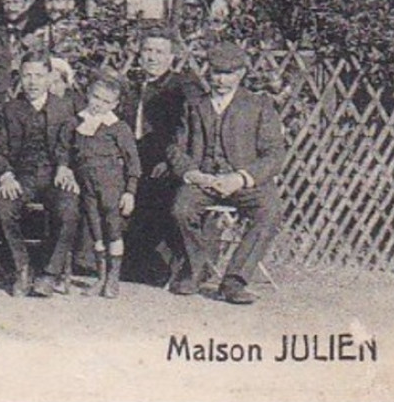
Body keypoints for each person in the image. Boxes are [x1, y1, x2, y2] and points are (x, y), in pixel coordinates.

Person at [169, 42, 288, 305]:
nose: (221, 80)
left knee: (271, 210)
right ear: (208, 73)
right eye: (216, 73)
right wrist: (194, 174)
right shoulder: (194, 105)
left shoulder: (258, 106)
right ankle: (197, 268)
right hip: (205, 180)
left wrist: (240, 178)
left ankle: (234, 281)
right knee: (181, 208)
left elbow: (274, 155)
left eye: (229, 73)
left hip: (243, 182)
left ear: (242, 73)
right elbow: (176, 149)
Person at [0, 54, 81, 296]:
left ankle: (49, 273)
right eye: (27, 75)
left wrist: (66, 166)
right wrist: (6, 175)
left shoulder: (64, 108)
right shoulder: (9, 110)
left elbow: (73, 145)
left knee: (69, 208)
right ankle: (22, 268)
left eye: (38, 75)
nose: (32, 82)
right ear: (20, 77)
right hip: (21, 175)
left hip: (54, 175)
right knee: (3, 208)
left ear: (49, 77)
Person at [120, 27, 203, 285]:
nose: (152, 57)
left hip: (166, 164)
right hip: (135, 161)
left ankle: (165, 265)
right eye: (147, 51)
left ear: (171, 57)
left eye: (159, 52)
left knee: (159, 195)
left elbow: (189, 131)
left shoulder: (182, 87)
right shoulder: (133, 85)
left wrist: (170, 162)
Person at [72, 74, 141, 298]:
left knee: (113, 230)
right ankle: (100, 277)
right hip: (87, 186)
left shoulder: (118, 128)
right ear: (88, 95)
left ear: (114, 105)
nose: (98, 103)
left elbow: (133, 163)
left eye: (105, 101)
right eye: (95, 97)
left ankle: (113, 278)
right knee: (96, 230)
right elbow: (71, 154)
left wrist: (130, 191)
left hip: (111, 185)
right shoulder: (78, 123)